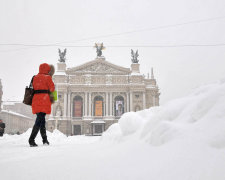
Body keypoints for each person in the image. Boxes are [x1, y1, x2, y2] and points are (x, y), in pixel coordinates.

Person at [28, 63, 55, 147]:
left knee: (42, 120)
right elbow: (52, 88)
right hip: (44, 101)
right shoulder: (48, 77)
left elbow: (31, 88)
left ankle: (45, 140)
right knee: (39, 120)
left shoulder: (34, 77)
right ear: (47, 70)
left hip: (35, 100)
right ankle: (31, 139)